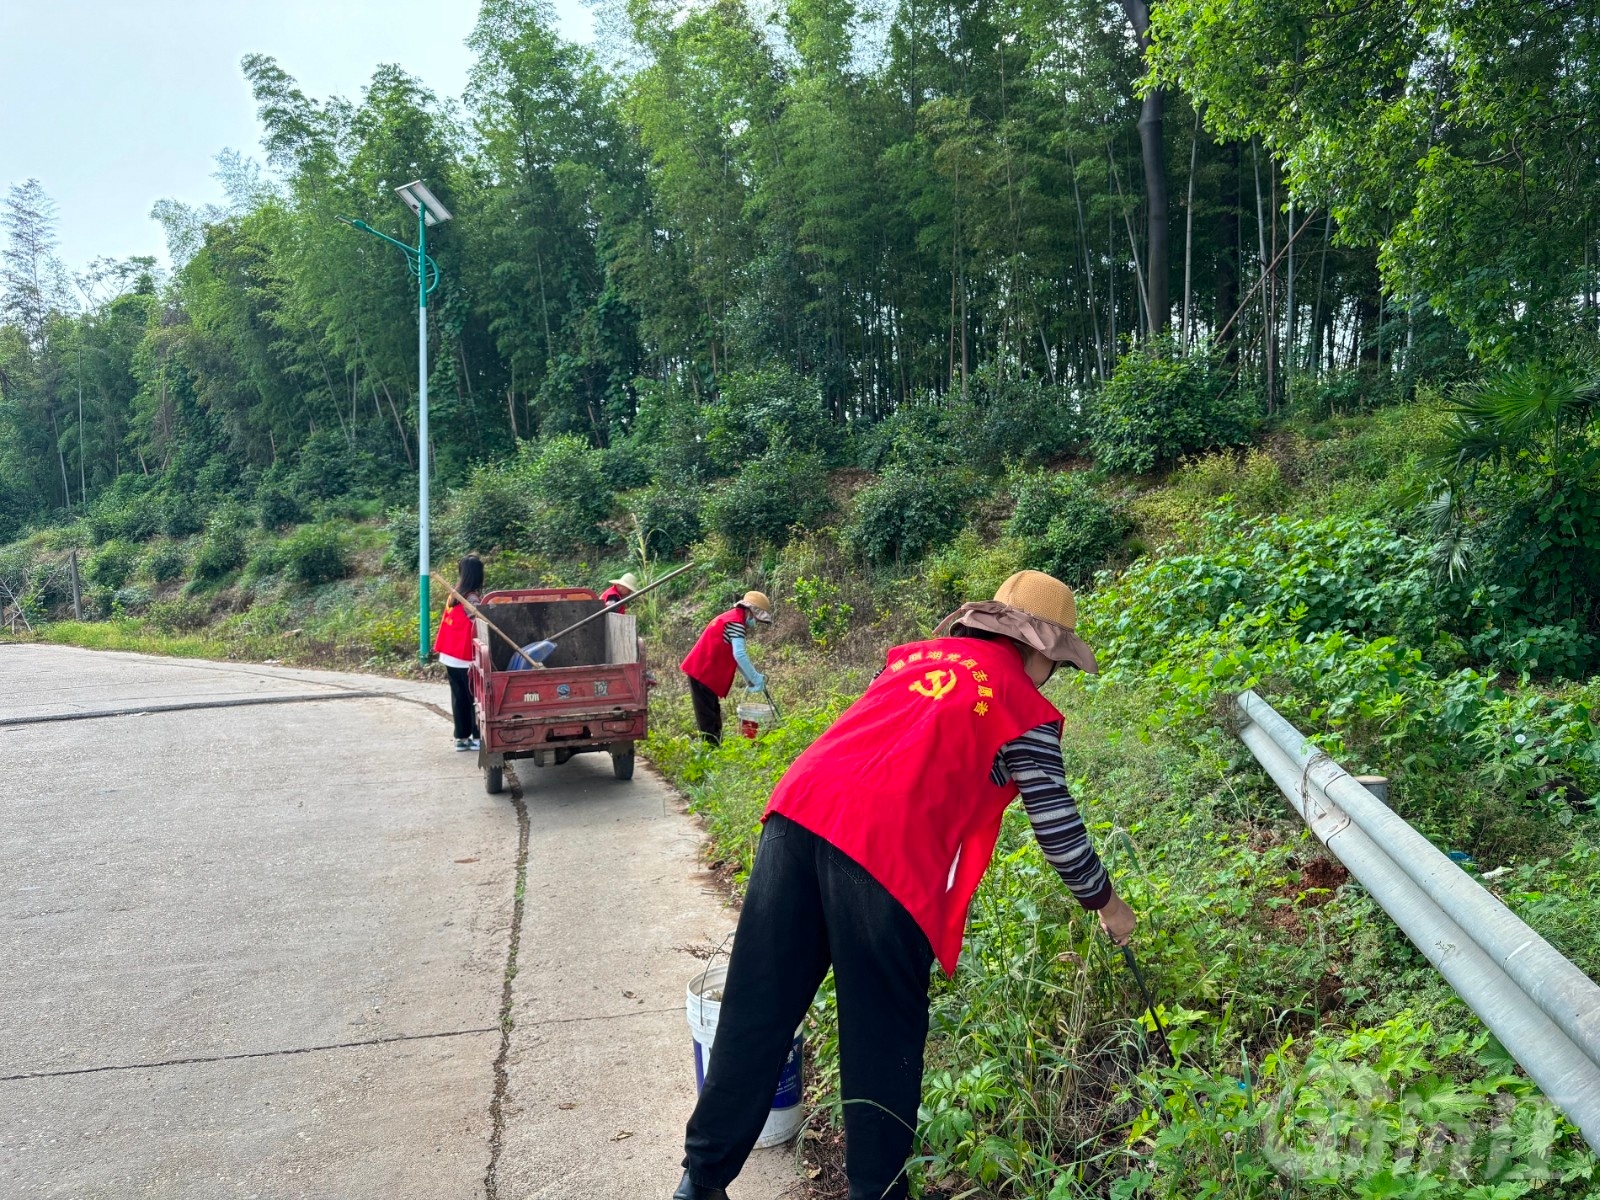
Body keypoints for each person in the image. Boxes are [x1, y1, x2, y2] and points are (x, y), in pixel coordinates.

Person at [672, 571, 1137, 1200]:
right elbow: (1057, 827)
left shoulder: (909, 659)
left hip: (796, 815)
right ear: (1038, 649)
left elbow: (891, 744)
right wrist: (1107, 903)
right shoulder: (1021, 704)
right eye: (1055, 663)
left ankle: (700, 1182)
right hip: (883, 850)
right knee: (881, 1036)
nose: (1050, 676)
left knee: (758, 1008)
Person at [680, 591, 771, 745]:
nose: (755, 622)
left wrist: (749, 678)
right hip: (702, 672)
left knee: (713, 713)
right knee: (708, 718)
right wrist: (755, 677)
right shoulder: (736, 623)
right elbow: (739, 654)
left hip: (705, 672)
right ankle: (711, 750)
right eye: (756, 618)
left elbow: (735, 656)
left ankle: (715, 747)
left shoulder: (732, 617)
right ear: (750, 611)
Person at [433, 555, 484, 752]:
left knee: (459, 697)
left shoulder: (455, 594)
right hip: (465, 657)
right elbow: (480, 625)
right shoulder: (471, 599)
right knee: (476, 699)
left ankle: (461, 738)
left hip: (450, 655)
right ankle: (478, 737)